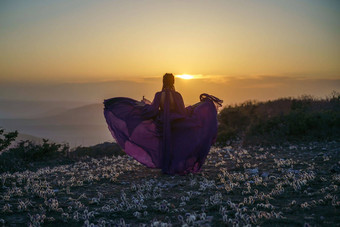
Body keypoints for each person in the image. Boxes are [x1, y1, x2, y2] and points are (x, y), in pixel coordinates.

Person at [103, 73, 222, 175]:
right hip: (177, 124)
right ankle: (176, 167)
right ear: (173, 82)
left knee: (165, 144)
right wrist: (193, 108)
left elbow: (152, 111)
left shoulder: (158, 95)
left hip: (163, 125)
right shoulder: (177, 95)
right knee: (176, 145)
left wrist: (142, 106)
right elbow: (182, 112)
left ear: (163, 82)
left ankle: (167, 167)